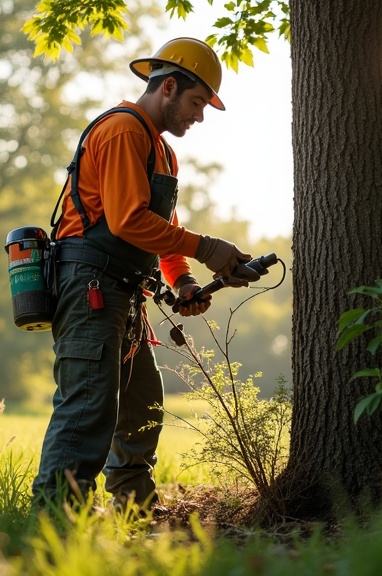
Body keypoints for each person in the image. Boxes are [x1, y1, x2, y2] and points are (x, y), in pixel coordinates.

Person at [32, 37, 258, 512]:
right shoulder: (122, 130)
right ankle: (53, 522)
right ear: (169, 87)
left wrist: (183, 281)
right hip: (91, 286)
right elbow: (128, 221)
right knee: (88, 408)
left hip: (125, 291)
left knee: (140, 410)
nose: (198, 117)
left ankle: (133, 514)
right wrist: (210, 249)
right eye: (196, 103)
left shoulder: (162, 151)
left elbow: (163, 229)